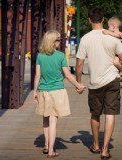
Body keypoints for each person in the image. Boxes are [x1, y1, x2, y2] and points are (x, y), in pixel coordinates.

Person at [76, 7, 122, 160]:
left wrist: (78, 82)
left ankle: (96, 145)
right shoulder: (113, 37)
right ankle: (105, 150)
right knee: (110, 114)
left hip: (95, 83)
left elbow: (79, 64)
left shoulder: (85, 38)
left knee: (95, 114)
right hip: (112, 80)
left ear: (90, 20)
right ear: (103, 19)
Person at [33, 30, 86, 158]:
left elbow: (37, 75)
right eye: (58, 40)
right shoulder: (61, 56)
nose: (59, 42)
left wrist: (35, 92)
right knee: (53, 121)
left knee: (45, 119)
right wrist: (78, 85)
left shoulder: (40, 56)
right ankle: (51, 150)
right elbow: (67, 75)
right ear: (53, 41)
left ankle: (46, 145)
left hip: (44, 91)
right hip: (57, 91)